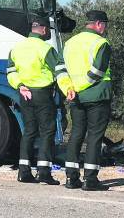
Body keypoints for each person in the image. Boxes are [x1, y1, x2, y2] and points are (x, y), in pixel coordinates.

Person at [58, 10, 112, 191]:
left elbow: (61, 70)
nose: (105, 28)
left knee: (76, 134)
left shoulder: (69, 43)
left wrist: (69, 88)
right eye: (104, 24)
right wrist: (80, 87)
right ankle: (90, 179)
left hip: (75, 96)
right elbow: (98, 72)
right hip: (97, 95)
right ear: (98, 24)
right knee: (95, 137)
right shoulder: (101, 43)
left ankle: (71, 178)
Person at [7, 16, 65, 185]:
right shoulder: (45, 48)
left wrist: (20, 86)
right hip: (42, 93)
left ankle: (23, 172)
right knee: (47, 131)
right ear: (45, 30)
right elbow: (59, 70)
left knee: (29, 131)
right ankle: (44, 172)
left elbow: (10, 72)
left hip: (24, 93)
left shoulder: (16, 48)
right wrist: (68, 87)